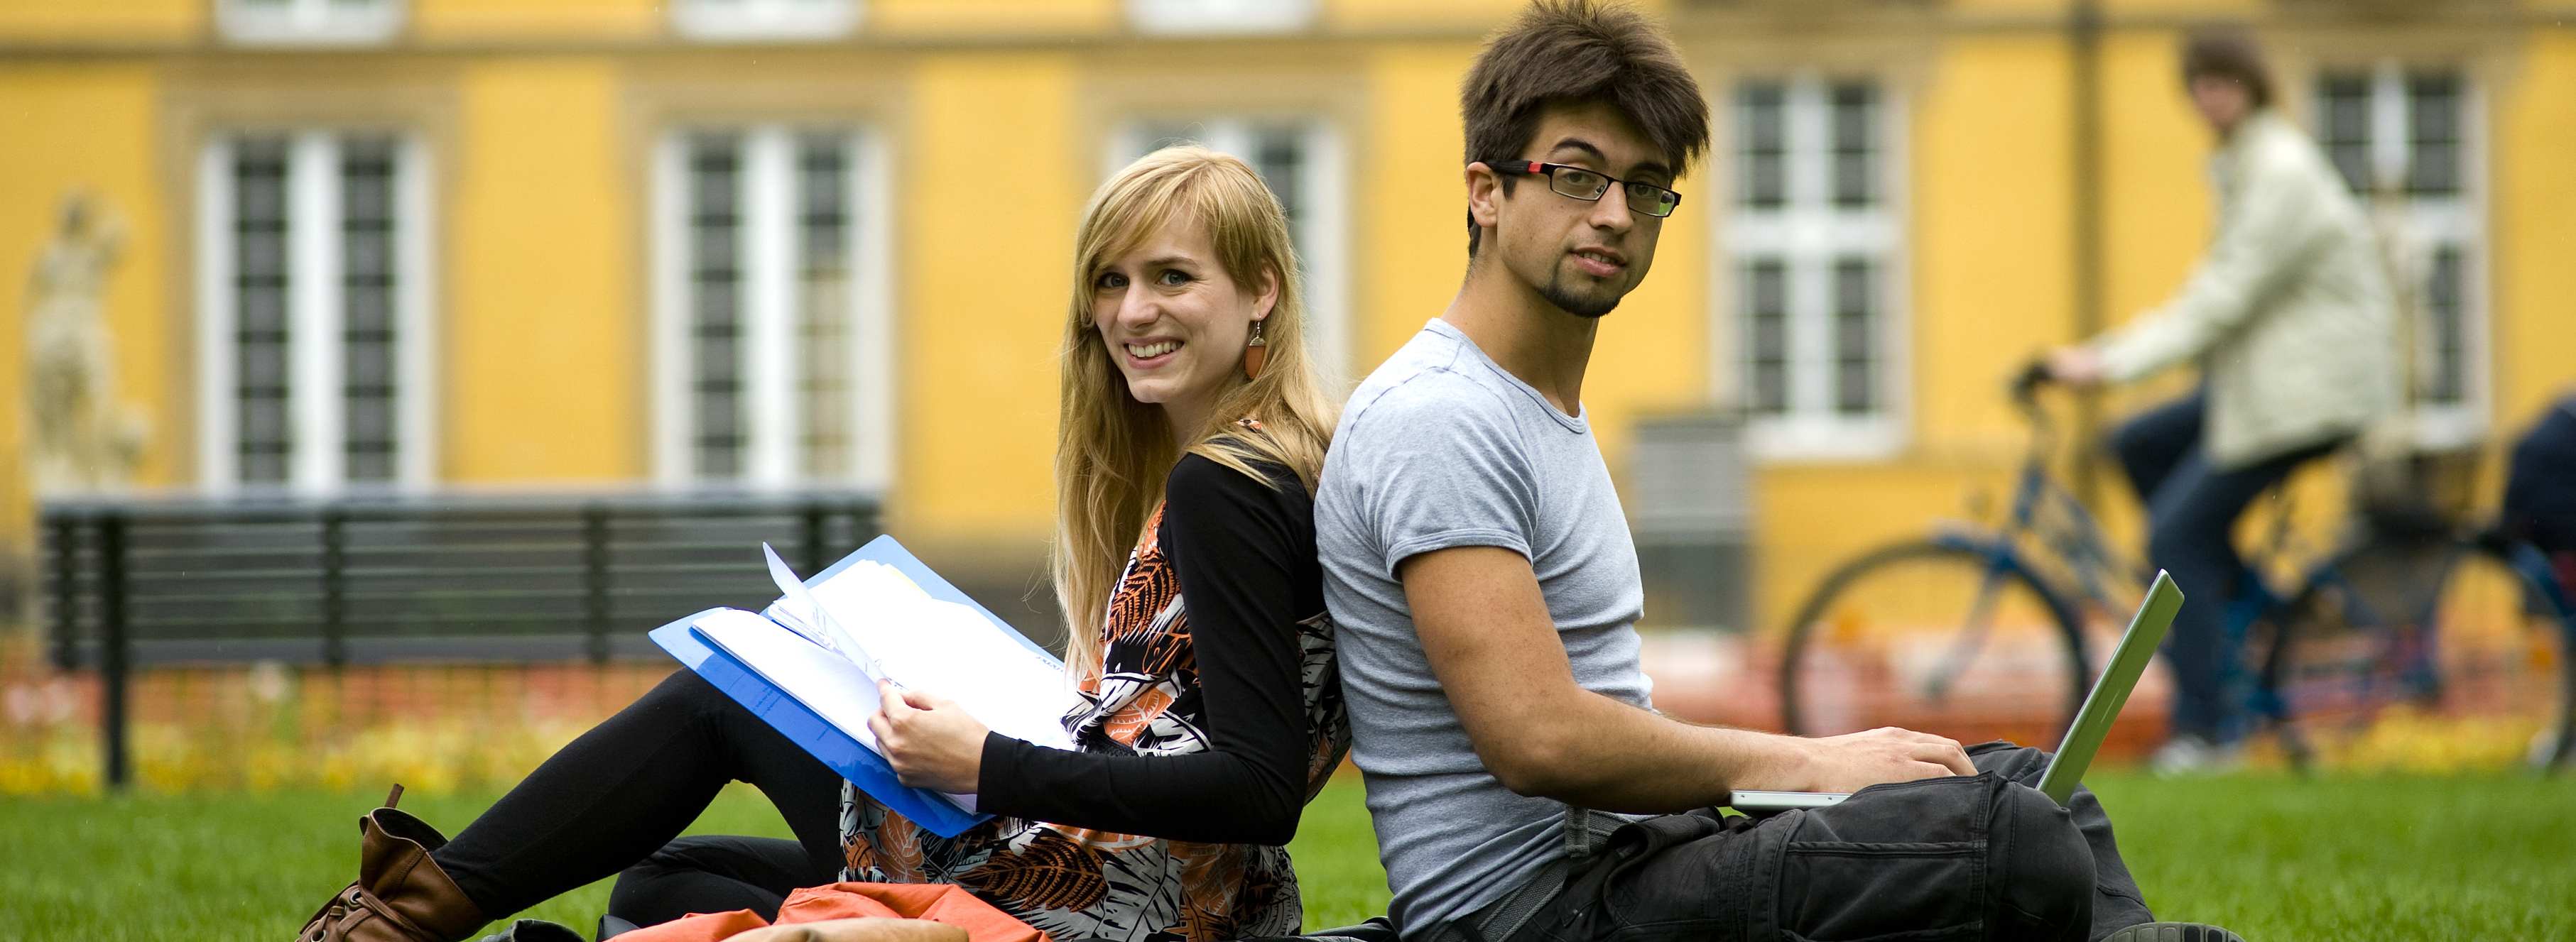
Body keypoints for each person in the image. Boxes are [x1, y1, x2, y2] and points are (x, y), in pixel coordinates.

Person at [1311, 4, 2241, 941]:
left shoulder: (1536, 405)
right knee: (2009, 837)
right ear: (1486, 190)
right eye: (1575, 174)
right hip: (1537, 912)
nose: (1612, 214)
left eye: (1644, 187)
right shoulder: (1438, 413)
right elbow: (1536, 736)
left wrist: (1824, 770)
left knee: (2021, 785)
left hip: (1638, 860)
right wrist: (1813, 762)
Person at [290, 146, 1351, 942]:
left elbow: (1255, 787)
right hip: (1176, 894)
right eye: (1110, 282)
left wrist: (990, 761)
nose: (1132, 311)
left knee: (729, 689)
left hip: (1121, 901)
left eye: (1172, 277)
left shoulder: (1225, 484)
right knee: (668, 883)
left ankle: (397, 919)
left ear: (1260, 290)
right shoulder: (1270, 465)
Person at [2043, 26, 2399, 773]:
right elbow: (2216, 299)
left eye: (2223, 82)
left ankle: (2210, 732)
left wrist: (2103, 362)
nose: (2210, 98)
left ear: (2253, 84)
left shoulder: (2278, 169)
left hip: (2309, 392)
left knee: (2174, 540)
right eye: (2199, 85)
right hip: (2265, 382)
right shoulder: (2244, 163)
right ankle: (2255, 610)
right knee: (2134, 447)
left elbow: (2220, 302)